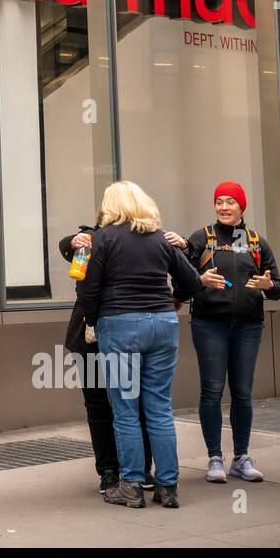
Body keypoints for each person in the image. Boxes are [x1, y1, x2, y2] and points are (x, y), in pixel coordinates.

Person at [78, 181, 203, 509]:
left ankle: (131, 485)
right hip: (163, 323)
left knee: (125, 410)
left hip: (120, 325)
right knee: (159, 407)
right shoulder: (162, 239)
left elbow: (87, 289)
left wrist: (95, 320)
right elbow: (191, 283)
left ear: (110, 206)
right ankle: (168, 486)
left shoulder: (102, 239)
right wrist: (169, 300)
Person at [177, 181, 280, 484]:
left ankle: (241, 457)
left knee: (243, 392)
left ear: (241, 206)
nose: (224, 207)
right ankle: (214, 458)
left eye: (230, 202)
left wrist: (269, 286)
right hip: (209, 324)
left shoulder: (255, 242)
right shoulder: (202, 238)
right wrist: (200, 280)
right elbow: (181, 284)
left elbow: (277, 287)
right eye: (219, 201)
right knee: (212, 390)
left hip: (248, 326)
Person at [60, 222, 153, 495]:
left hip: (128, 332)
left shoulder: (143, 238)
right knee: (99, 404)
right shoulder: (92, 238)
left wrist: (184, 244)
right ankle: (109, 471)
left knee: (135, 401)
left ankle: (139, 467)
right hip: (89, 336)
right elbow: (67, 244)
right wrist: (73, 241)